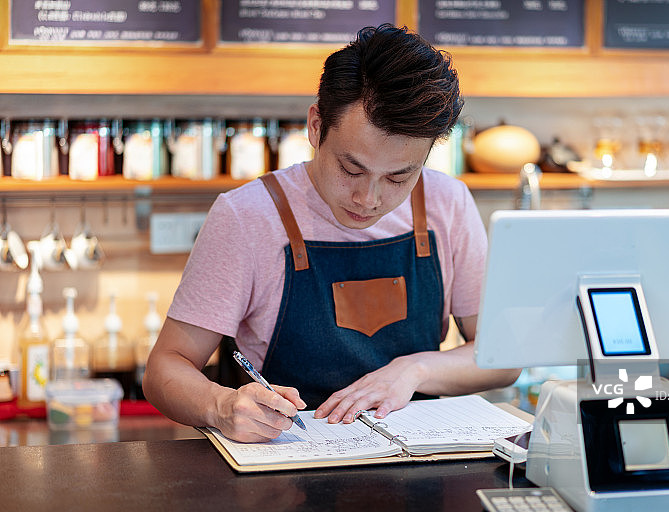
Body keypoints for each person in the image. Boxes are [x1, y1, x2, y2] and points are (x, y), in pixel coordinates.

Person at [143, 24, 521, 443]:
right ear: (315, 126)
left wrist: (414, 369)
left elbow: (504, 358)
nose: (368, 198)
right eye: (351, 169)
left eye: (399, 177)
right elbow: (165, 368)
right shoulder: (247, 216)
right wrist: (220, 405)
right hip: (283, 470)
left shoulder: (447, 204)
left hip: (416, 464)